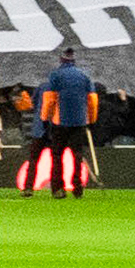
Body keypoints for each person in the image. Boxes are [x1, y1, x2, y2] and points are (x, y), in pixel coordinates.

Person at [36, 49, 102, 196]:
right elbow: (92, 100)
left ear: (61, 59)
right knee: (77, 155)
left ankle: (58, 188)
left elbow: (50, 99)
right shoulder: (84, 76)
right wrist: (92, 120)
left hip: (60, 122)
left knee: (57, 156)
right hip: (79, 122)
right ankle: (77, 188)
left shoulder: (56, 75)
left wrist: (45, 118)